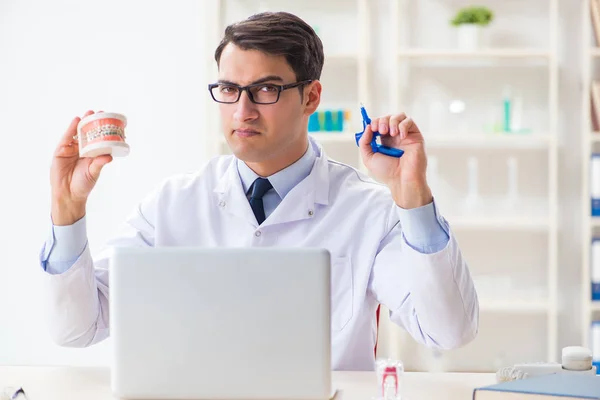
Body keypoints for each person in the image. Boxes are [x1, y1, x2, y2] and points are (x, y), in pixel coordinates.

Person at [40, 11, 479, 371]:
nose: (242, 111)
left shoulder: (369, 209)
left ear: (311, 97)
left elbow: (448, 331)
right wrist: (68, 206)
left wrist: (413, 196)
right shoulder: (173, 204)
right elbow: (77, 329)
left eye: (265, 89)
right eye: (229, 90)